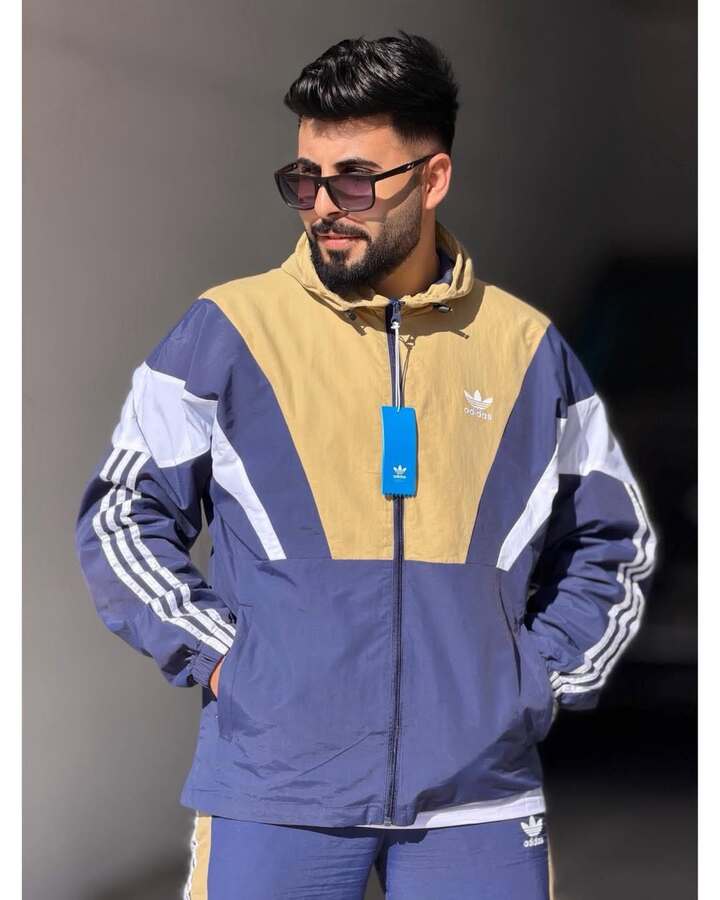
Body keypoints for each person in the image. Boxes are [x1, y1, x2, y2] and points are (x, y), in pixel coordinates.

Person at [74, 30, 658, 900]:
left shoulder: (527, 350)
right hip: (275, 791)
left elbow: (615, 542)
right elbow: (121, 513)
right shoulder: (228, 332)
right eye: (304, 180)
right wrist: (228, 661)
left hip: (480, 800)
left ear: (433, 177)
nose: (322, 206)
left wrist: (535, 680)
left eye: (354, 180)